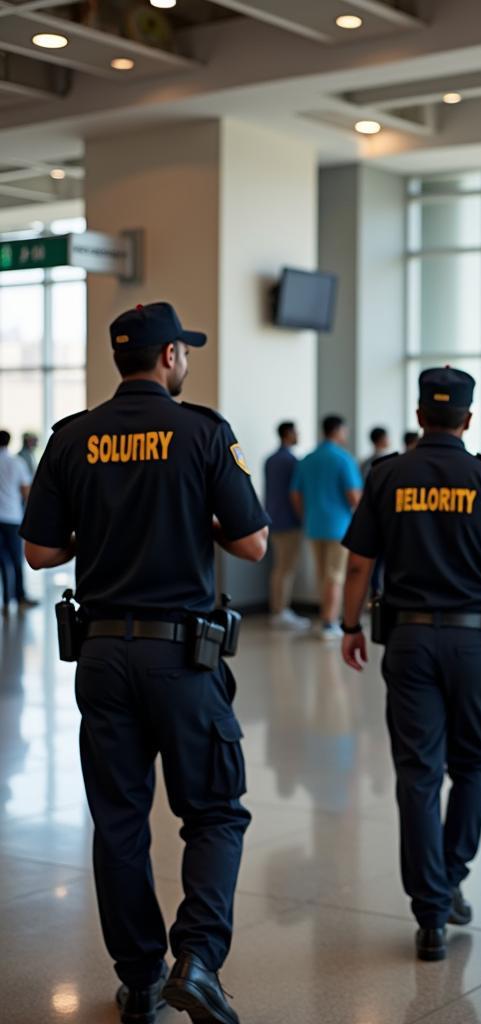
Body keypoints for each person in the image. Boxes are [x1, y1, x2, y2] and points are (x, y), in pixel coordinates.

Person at [19, 301, 269, 1024]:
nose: (186, 360)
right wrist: (196, 518)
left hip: (100, 653)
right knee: (216, 810)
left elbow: (39, 552)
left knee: (120, 820)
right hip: (181, 658)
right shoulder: (202, 432)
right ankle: (196, 960)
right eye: (183, 351)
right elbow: (252, 543)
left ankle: (138, 979)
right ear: (167, 359)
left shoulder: (72, 437)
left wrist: (98, 534)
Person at [340, 367, 481, 963]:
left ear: (421, 414)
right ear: (469, 420)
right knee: (477, 762)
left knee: (418, 773)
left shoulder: (387, 475)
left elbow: (358, 565)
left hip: (407, 644)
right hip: (474, 646)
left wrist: (350, 625)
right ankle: (452, 874)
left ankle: (430, 912)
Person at [290, 414, 362, 640]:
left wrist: (306, 515)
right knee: (336, 576)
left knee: (323, 576)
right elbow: (354, 496)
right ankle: (329, 623)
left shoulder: (308, 459)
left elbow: (295, 494)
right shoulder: (343, 459)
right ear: (339, 431)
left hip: (314, 525)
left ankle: (325, 618)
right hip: (339, 527)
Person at [263, 421, 309, 631]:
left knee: (279, 567)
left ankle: (278, 609)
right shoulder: (292, 461)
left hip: (273, 519)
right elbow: (295, 494)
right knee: (286, 567)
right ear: (289, 434)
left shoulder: (270, 460)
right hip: (289, 521)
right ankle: (281, 610)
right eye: (296, 432)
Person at [0, 430, 35, 614]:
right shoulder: (16, 463)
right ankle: (20, 597)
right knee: (16, 560)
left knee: (2, 560)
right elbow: (26, 491)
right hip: (12, 517)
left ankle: (5, 600)